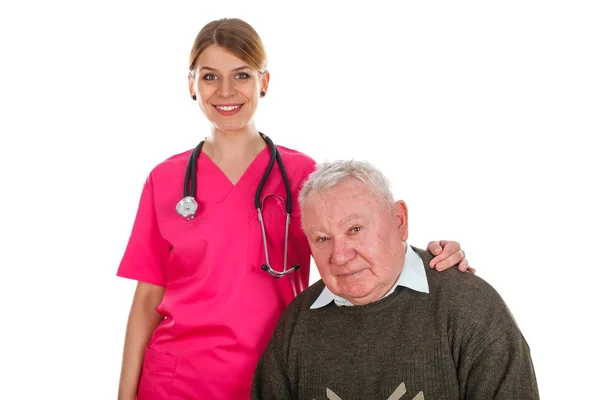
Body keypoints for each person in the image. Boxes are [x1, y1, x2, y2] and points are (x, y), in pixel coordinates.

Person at [116, 18, 472, 400]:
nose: (225, 91)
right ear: (191, 85)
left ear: (263, 82)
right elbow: (147, 300)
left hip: (281, 371)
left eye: (241, 75)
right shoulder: (165, 180)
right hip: (177, 382)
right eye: (209, 77)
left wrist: (432, 261)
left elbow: (353, 253)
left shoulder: (302, 175)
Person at [252, 160, 539, 400]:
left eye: (355, 229)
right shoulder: (296, 325)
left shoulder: (469, 308)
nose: (339, 256)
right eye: (323, 238)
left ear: (399, 220)